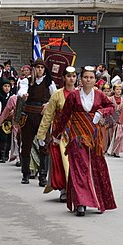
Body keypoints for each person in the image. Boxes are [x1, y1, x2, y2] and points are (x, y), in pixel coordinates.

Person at [52, 66, 116, 217]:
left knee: (97, 167)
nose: (88, 80)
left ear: (95, 80)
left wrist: (101, 112)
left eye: (91, 77)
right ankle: (81, 203)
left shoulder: (100, 95)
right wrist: (56, 135)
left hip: (94, 137)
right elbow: (64, 117)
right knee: (80, 168)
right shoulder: (73, 96)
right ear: (81, 79)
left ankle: (99, 200)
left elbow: (111, 107)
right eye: (86, 77)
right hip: (77, 136)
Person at [35, 66, 77, 200]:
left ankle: (76, 189)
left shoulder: (80, 94)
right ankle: (64, 189)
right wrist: (41, 134)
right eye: (69, 76)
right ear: (64, 78)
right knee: (61, 161)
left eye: (74, 76)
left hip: (77, 133)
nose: (71, 78)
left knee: (76, 162)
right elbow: (48, 115)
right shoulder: (57, 94)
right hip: (60, 134)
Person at [17, 58, 57, 184]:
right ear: (34, 68)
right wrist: (23, 95)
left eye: (42, 67)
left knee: (43, 145)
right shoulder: (27, 81)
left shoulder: (49, 82)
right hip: (28, 116)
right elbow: (21, 91)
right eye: (37, 67)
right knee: (26, 145)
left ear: (44, 69)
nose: (39, 69)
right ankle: (25, 174)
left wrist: (48, 104)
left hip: (42, 117)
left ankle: (43, 176)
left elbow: (55, 97)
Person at [0, 79, 13, 163]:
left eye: (8, 86)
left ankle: (6, 154)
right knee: (3, 138)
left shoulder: (12, 96)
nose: (7, 88)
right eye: (5, 86)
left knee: (9, 138)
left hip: (11, 119)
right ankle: (1, 155)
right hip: (2, 119)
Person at [106, 84, 123, 158]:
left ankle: (117, 151)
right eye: (117, 89)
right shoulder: (110, 99)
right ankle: (110, 150)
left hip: (120, 119)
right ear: (114, 90)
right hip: (111, 119)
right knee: (111, 135)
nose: (118, 91)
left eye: (120, 89)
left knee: (119, 135)